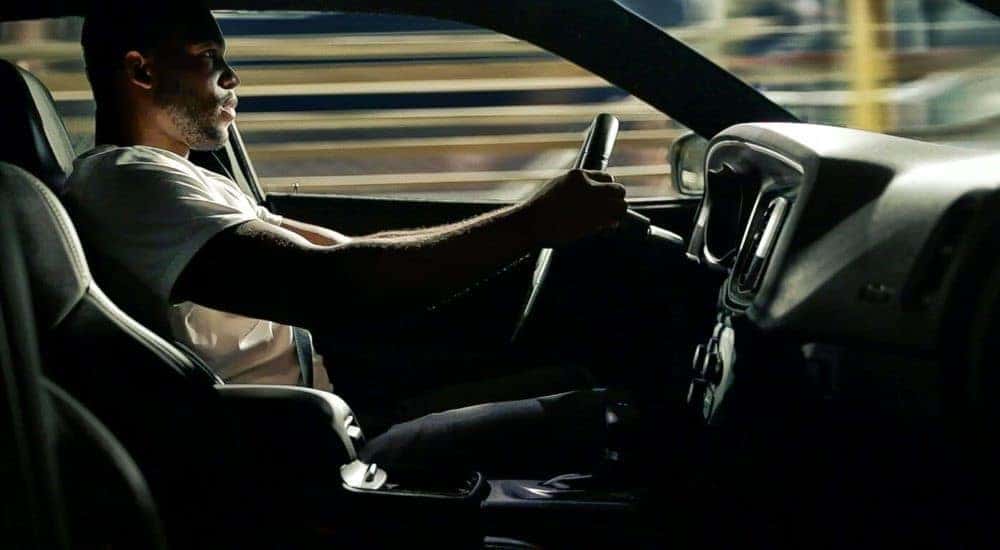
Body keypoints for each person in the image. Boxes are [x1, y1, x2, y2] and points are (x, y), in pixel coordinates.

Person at [63, 1, 630, 475]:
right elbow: (333, 283)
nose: (232, 79)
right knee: (617, 418)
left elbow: (337, 250)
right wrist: (532, 223)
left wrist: (528, 227)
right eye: (210, 58)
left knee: (574, 381)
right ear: (142, 72)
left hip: (329, 417)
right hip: (289, 454)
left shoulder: (184, 180)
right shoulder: (130, 182)